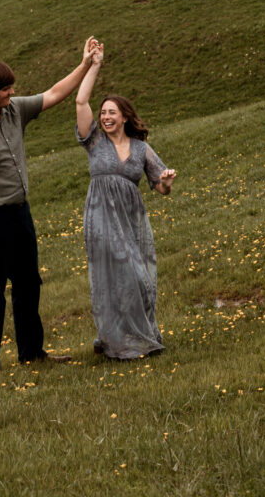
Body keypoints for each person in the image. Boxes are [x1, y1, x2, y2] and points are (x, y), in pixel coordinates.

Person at [0, 37, 99, 373]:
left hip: (20, 214)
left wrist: (85, 64)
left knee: (28, 284)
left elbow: (55, 93)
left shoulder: (14, 110)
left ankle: (32, 353)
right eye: (5, 88)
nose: (11, 92)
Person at [75, 43, 176, 359]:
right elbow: (80, 100)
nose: (105, 117)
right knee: (115, 276)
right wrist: (94, 65)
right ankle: (116, 341)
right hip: (100, 216)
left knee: (139, 278)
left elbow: (160, 187)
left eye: (111, 112)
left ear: (124, 117)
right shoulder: (94, 142)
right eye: (103, 112)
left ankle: (136, 334)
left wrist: (166, 183)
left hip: (131, 220)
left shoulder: (142, 149)